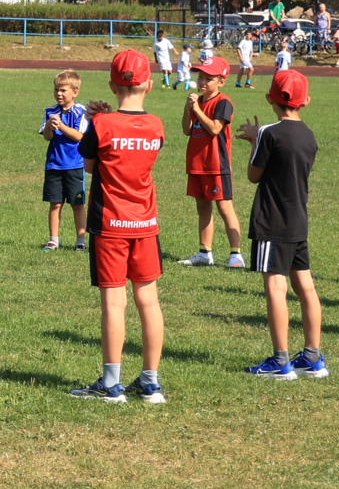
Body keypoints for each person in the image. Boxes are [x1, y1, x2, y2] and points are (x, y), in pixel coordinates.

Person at [70, 49, 168, 405]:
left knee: (114, 303)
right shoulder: (156, 125)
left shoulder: (101, 125)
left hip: (110, 222)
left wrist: (101, 119)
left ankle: (112, 383)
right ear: (149, 85)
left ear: (113, 86)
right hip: (145, 223)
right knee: (149, 301)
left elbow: (91, 165)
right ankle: (151, 382)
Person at [240, 69, 326, 380]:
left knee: (276, 287)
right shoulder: (309, 135)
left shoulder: (268, 132)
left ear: (269, 99)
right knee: (306, 287)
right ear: (306, 101)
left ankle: (280, 361)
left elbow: (254, 175)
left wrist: (255, 139)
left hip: (272, 221)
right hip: (298, 219)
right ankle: (313, 357)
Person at [178, 57, 245, 268]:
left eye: (209, 78)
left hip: (216, 164)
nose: (202, 82)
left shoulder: (223, 102)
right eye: (201, 77)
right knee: (203, 207)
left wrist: (197, 110)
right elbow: (187, 130)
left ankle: (236, 255)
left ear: (221, 82)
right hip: (197, 163)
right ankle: (205, 252)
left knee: (225, 207)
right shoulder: (199, 101)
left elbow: (215, 129)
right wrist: (188, 109)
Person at [39, 70, 88, 252]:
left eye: (63, 90)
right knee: (55, 203)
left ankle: (81, 240)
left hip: (75, 165)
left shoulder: (81, 112)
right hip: (54, 164)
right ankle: (53, 240)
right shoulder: (50, 112)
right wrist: (49, 127)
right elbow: (47, 137)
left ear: (75, 92)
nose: (58, 94)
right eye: (56, 90)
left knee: (77, 204)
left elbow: (79, 136)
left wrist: (61, 126)